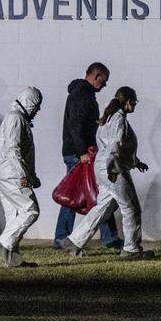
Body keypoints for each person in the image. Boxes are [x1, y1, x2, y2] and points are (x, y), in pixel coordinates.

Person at [61, 86, 152, 260]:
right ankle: (131, 249)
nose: (135, 106)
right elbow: (115, 146)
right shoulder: (118, 119)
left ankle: (73, 241)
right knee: (131, 208)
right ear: (127, 102)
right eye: (134, 102)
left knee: (103, 206)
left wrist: (135, 162)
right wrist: (112, 168)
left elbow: (116, 147)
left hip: (102, 167)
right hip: (113, 169)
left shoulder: (109, 117)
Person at [54, 62, 123, 249]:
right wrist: (83, 152)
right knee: (83, 195)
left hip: (81, 153)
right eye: (104, 81)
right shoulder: (81, 94)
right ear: (95, 76)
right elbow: (75, 126)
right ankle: (63, 237)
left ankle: (106, 237)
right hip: (79, 155)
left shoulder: (83, 93)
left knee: (94, 193)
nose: (105, 85)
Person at [0, 87, 43, 268]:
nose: (38, 110)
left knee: (14, 216)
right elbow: (14, 150)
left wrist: (32, 176)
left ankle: (11, 258)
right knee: (30, 210)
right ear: (30, 104)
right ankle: (3, 245)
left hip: (6, 174)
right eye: (37, 106)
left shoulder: (17, 118)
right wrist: (23, 176)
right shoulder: (16, 118)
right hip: (12, 175)